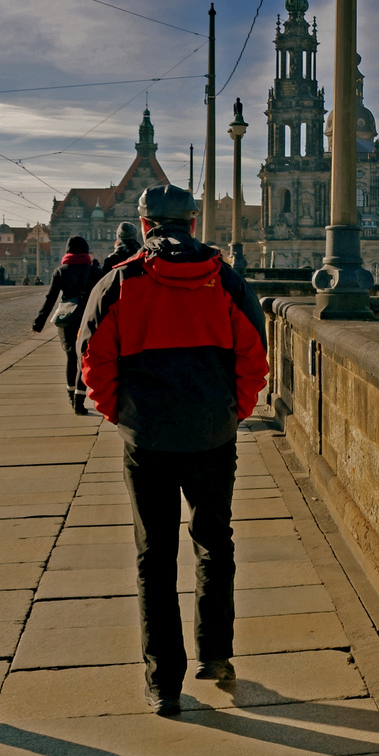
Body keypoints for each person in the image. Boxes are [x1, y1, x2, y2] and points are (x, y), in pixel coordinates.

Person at [80, 184, 267, 714]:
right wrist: (234, 413)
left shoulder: (119, 283)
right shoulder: (226, 280)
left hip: (150, 440)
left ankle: (164, 684)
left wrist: (124, 416)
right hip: (213, 435)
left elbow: (93, 361)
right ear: (191, 222)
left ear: (144, 225)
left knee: (154, 557)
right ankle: (217, 656)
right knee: (215, 541)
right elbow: (255, 356)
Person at [32, 237, 100, 415]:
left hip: (67, 317)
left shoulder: (61, 271)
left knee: (71, 355)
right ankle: (79, 400)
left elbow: (51, 298)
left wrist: (40, 321)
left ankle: (71, 396)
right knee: (83, 357)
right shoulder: (93, 270)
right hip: (87, 318)